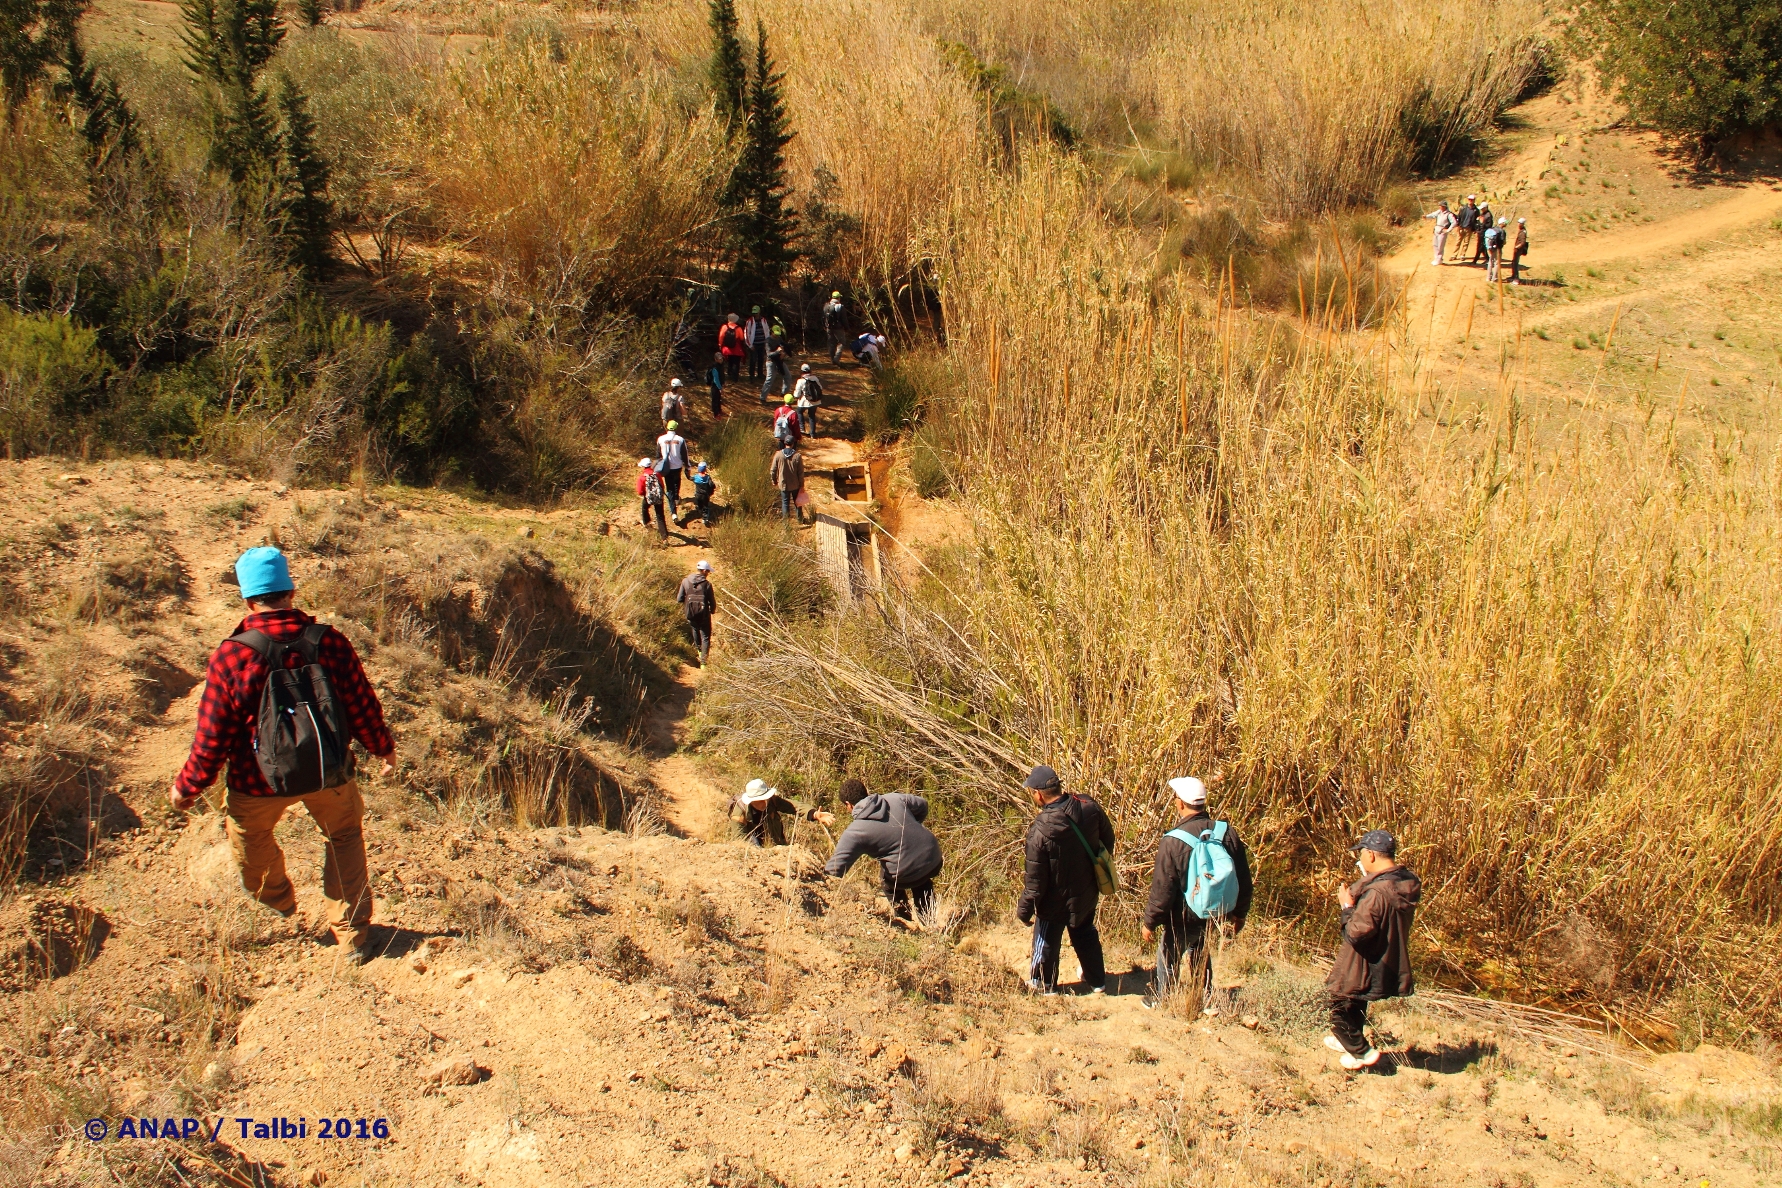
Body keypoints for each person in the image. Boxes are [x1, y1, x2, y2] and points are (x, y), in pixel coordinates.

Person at [170, 547, 395, 964]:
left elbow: (213, 733)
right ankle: (352, 937)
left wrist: (189, 785)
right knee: (344, 838)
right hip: (330, 771)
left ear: (247, 599)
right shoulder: (330, 642)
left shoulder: (232, 655)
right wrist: (383, 748)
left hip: (258, 781)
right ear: (291, 590)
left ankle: (278, 900)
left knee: (249, 839)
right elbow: (361, 704)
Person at [1140, 777, 1253, 1011]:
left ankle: (1163, 997)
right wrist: (1239, 913)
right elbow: (1243, 877)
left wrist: (1150, 921)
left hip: (1184, 914)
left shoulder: (1173, 841)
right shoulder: (1226, 832)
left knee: (1168, 954)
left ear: (1180, 803)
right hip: (1216, 910)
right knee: (1200, 949)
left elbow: (1163, 889)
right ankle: (1206, 995)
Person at [1324, 829, 1422, 1070]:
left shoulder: (1377, 892)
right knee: (1355, 999)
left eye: (1361, 854)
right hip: (1382, 956)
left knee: (1337, 1004)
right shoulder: (1405, 882)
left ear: (1371, 854)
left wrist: (1347, 907)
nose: (1360, 860)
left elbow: (1355, 932)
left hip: (1362, 957)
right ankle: (1348, 1043)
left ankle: (1361, 1053)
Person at [1016, 764, 1115, 996]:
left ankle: (1043, 984)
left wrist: (1024, 911)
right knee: (1085, 933)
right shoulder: (1088, 806)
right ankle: (1097, 981)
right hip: (1086, 891)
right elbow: (1107, 839)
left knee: (1046, 939)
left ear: (1038, 794)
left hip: (1053, 900)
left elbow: (1035, 881)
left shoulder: (1039, 831)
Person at [813, 778, 943, 922]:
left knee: (888, 880)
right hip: (933, 855)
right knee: (920, 876)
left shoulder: (856, 831)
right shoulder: (894, 798)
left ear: (848, 804)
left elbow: (835, 869)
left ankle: (905, 920)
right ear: (865, 792)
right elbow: (923, 804)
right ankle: (929, 920)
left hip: (906, 871)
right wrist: (912, 825)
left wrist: (817, 882)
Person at [730, 779, 823, 846]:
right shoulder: (739, 813)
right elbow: (739, 840)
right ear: (751, 801)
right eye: (760, 800)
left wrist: (814, 814)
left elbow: (794, 806)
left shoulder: (772, 801)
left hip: (775, 846)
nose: (764, 802)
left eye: (765, 798)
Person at [677, 559, 716, 666]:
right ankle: (703, 662)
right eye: (708, 571)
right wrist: (712, 610)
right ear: (704, 571)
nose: (708, 574)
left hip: (690, 613)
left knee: (695, 629)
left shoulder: (685, 581)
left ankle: (699, 650)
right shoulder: (707, 584)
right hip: (704, 614)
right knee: (705, 636)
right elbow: (712, 601)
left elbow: (679, 599)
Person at [769, 441, 805, 522]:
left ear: (785, 444)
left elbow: (773, 470)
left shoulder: (778, 455)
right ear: (793, 444)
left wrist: (774, 480)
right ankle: (800, 520)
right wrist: (802, 485)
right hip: (795, 484)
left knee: (785, 503)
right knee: (798, 502)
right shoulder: (797, 456)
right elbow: (800, 473)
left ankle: (786, 524)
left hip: (783, 484)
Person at [657, 420, 688, 516]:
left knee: (669, 488)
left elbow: (658, 455)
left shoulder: (660, 439)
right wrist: (688, 467)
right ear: (676, 428)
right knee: (677, 482)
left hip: (666, 467)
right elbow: (685, 455)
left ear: (667, 428)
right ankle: (676, 498)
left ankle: (673, 513)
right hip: (677, 466)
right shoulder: (680, 440)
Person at [637, 458, 667, 539]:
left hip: (648, 498)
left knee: (644, 508)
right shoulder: (657, 474)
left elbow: (640, 491)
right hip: (658, 497)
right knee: (660, 516)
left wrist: (646, 494)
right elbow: (662, 486)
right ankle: (664, 537)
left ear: (643, 467)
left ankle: (647, 523)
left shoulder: (642, 477)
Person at [683, 461, 717, 529]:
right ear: (705, 469)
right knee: (705, 507)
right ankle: (705, 518)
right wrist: (711, 490)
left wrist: (686, 471)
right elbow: (712, 485)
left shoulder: (696, 477)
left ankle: (700, 510)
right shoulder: (708, 478)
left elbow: (689, 478)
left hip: (698, 495)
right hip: (705, 496)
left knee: (700, 505)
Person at [761, 329, 791, 404]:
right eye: (776, 334)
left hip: (779, 360)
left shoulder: (779, 338)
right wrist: (777, 351)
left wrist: (783, 353)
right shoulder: (768, 341)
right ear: (772, 332)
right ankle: (762, 398)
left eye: (778, 334)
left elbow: (784, 346)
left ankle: (784, 393)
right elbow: (769, 354)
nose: (777, 336)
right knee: (769, 379)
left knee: (787, 376)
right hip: (771, 362)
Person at [794, 364, 823, 437]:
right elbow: (820, 388)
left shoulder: (800, 381)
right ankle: (812, 433)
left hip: (804, 402)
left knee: (799, 412)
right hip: (815, 401)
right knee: (812, 416)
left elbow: (797, 394)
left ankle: (802, 429)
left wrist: (796, 397)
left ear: (802, 371)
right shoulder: (815, 378)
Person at [1423, 200, 1455, 267]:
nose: (1440, 207)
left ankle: (1439, 259)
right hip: (1436, 229)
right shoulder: (1439, 212)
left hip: (1442, 230)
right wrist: (1426, 217)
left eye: (1441, 206)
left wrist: (1448, 230)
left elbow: (1454, 222)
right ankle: (1436, 258)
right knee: (1435, 244)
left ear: (1444, 206)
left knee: (1440, 246)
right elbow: (1432, 215)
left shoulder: (1449, 214)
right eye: (1440, 206)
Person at [744, 306, 771, 380]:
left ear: (759, 312)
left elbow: (767, 331)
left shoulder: (763, 320)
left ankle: (760, 374)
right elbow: (746, 333)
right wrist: (750, 345)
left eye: (756, 313)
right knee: (753, 360)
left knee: (761, 359)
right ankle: (751, 375)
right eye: (754, 313)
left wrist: (767, 342)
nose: (755, 314)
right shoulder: (750, 321)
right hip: (754, 344)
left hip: (762, 343)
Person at [718, 313, 747, 380]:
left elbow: (721, 337)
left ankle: (729, 374)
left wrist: (720, 345)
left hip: (727, 348)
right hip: (736, 348)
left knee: (729, 361)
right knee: (736, 362)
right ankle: (735, 377)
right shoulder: (738, 328)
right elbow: (742, 338)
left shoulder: (724, 327)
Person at [823, 291, 849, 364]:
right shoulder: (840, 306)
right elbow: (844, 319)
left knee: (831, 343)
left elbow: (823, 317)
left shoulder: (826, 305)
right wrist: (846, 328)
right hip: (838, 328)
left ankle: (832, 359)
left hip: (828, 327)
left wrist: (824, 326)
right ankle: (836, 358)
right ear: (838, 298)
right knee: (842, 342)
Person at [1453, 195, 1479, 262]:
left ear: (1474, 200)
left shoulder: (1476, 210)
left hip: (1469, 228)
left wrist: (1475, 229)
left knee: (1466, 243)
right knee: (1458, 241)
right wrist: (1458, 226)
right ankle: (1454, 255)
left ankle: (1462, 255)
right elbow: (1459, 217)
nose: (1470, 201)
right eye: (1469, 199)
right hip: (1461, 227)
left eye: (1472, 199)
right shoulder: (1463, 208)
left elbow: (1476, 220)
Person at [1484, 217, 1506, 283]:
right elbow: (1503, 241)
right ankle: (1494, 278)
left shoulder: (1493, 229)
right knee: (1497, 263)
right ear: (1502, 223)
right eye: (1505, 222)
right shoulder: (1502, 231)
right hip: (1498, 249)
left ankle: (1488, 277)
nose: (1506, 224)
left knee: (1490, 262)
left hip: (1491, 248)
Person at [1471, 200, 1494, 264]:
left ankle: (1475, 260)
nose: (1481, 210)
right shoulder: (1483, 214)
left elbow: (1489, 225)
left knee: (1479, 247)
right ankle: (1487, 259)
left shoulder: (1488, 215)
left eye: (1482, 208)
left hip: (1484, 233)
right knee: (1482, 247)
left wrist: (1482, 223)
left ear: (1485, 208)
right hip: (1480, 232)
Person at [706, 351, 726, 418]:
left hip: (720, 385)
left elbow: (722, 375)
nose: (721, 360)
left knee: (719, 399)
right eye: (719, 359)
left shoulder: (721, 365)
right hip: (715, 386)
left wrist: (723, 383)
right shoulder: (714, 367)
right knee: (715, 400)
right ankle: (716, 414)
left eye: (721, 358)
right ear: (716, 359)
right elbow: (716, 379)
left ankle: (719, 411)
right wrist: (720, 388)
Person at [1510, 218, 1529, 284]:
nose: (1518, 224)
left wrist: (1517, 247)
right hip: (1517, 249)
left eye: (1519, 223)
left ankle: (1516, 279)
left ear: (1522, 224)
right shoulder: (1521, 230)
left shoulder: (1523, 232)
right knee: (1513, 262)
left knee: (1515, 264)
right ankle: (1513, 276)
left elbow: (1523, 242)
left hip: (1518, 250)